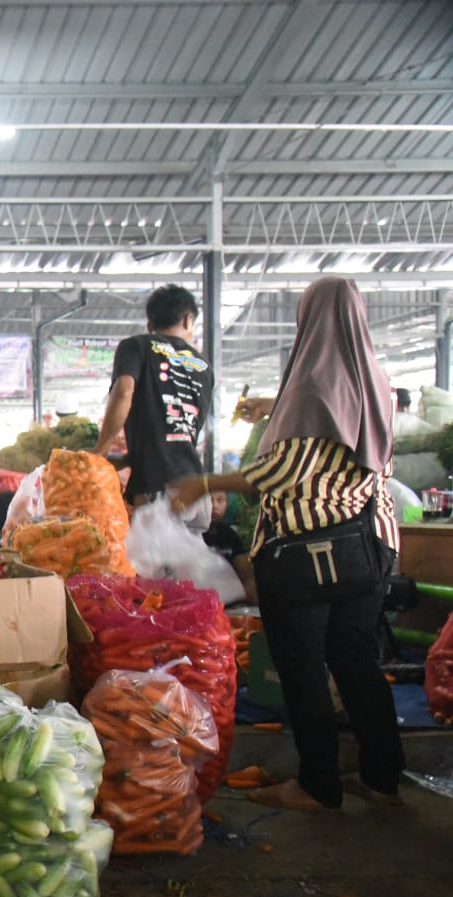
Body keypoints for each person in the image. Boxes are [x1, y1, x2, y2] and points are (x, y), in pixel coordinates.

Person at [169, 276, 402, 811]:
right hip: (368, 549)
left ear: (308, 319)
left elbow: (281, 472)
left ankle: (317, 786)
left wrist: (206, 483)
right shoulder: (375, 381)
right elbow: (337, 429)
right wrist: (275, 406)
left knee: (302, 667)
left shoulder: (310, 387)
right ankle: (382, 778)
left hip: (307, 554)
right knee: (356, 661)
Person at [95, 284, 213, 529]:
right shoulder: (203, 365)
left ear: (150, 325)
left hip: (156, 491)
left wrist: (100, 453)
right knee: (191, 563)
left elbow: (124, 390)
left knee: (155, 566)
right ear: (189, 320)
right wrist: (130, 457)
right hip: (196, 489)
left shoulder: (137, 346)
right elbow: (182, 433)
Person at [201, 490, 256, 604]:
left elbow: (247, 577)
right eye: (209, 500)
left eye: (220, 500)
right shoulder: (187, 534)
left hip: (226, 604)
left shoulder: (229, 535)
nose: (214, 506)